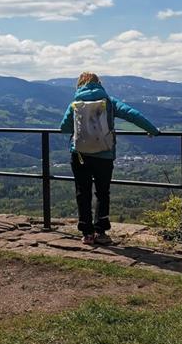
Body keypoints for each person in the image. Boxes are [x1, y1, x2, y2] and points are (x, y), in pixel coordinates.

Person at [60, 72, 160, 245]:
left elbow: (64, 128)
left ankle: (87, 233)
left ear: (80, 84)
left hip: (80, 155)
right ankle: (101, 231)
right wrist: (152, 130)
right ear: (99, 83)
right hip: (104, 154)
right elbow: (132, 114)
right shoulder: (109, 101)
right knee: (102, 192)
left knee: (82, 192)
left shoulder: (75, 103)